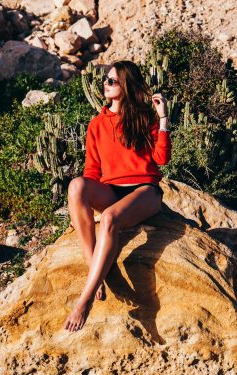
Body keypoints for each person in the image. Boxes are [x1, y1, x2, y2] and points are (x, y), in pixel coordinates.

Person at [63, 60, 172, 332]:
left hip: (144, 191)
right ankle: (95, 273)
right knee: (77, 186)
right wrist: (84, 203)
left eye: (112, 81)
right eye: (106, 80)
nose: (106, 84)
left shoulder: (144, 117)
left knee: (110, 219)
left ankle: (85, 300)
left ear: (125, 86)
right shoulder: (97, 124)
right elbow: (92, 169)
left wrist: (163, 119)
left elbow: (162, 158)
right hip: (112, 190)